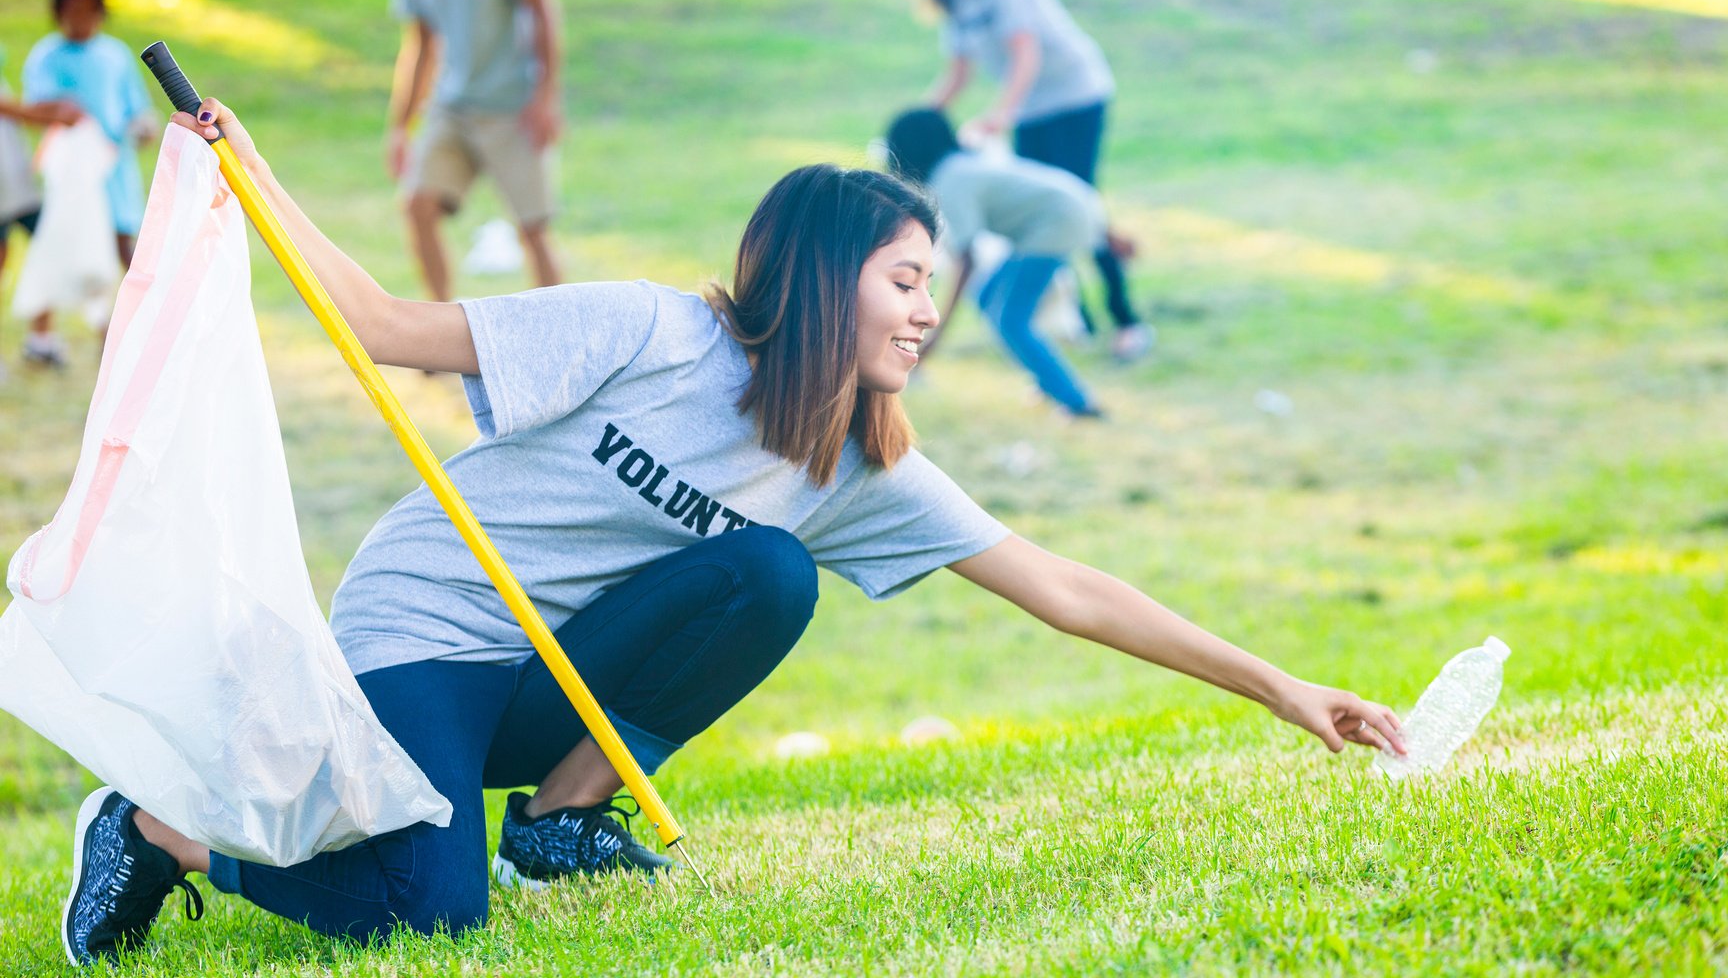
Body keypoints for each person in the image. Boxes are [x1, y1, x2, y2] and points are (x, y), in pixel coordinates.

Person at [58, 98, 1405, 967]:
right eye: (906, 281)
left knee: (768, 572)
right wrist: (253, 170)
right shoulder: (651, 332)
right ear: (830, 277)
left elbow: (1066, 588)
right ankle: (171, 831)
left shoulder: (855, 461)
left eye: (931, 284)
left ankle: (566, 819)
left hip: (559, 673)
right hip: (431, 630)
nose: (927, 312)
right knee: (426, 915)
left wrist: (1287, 691)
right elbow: (387, 331)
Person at [903, 0, 1151, 362]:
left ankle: (1126, 319)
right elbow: (958, 71)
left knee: (1079, 198)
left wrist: (1002, 113)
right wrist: (916, 122)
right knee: (1046, 211)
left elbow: (1025, 51)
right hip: (1031, 109)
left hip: (1074, 93)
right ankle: (1082, 318)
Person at [386, 0, 564, 302]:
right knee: (417, 206)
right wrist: (400, 127)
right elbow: (420, 47)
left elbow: (542, 9)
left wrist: (545, 98)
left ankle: (567, 336)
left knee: (534, 230)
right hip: (453, 107)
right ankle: (437, 329)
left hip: (510, 105)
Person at [885, 107, 1103, 418]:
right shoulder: (960, 166)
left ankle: (1077, 403)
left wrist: (934, 337)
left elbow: (966, 261)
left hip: (1057, 223)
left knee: (1010, 319)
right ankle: (1047, 380)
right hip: (1071, 208)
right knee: (989, 298)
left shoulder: (950, 180)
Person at [20, 0, 154, 366]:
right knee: (60, 248)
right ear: (58, 14)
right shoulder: (47, 56)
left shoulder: (114, 54)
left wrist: (142, 126)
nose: (80, 19)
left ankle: (120, 337)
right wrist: (65, 113)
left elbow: (135, 106)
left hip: (115, 174)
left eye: (88, 11)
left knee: (123, 251)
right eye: (71, 11)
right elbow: (37, 108)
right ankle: (40, 338)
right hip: (73, 178)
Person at [0, 56, 81, 368]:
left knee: (50, 251)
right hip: (7, 191)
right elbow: (16, 110)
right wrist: (56, 112)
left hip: (19, 185)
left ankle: (41, 339)